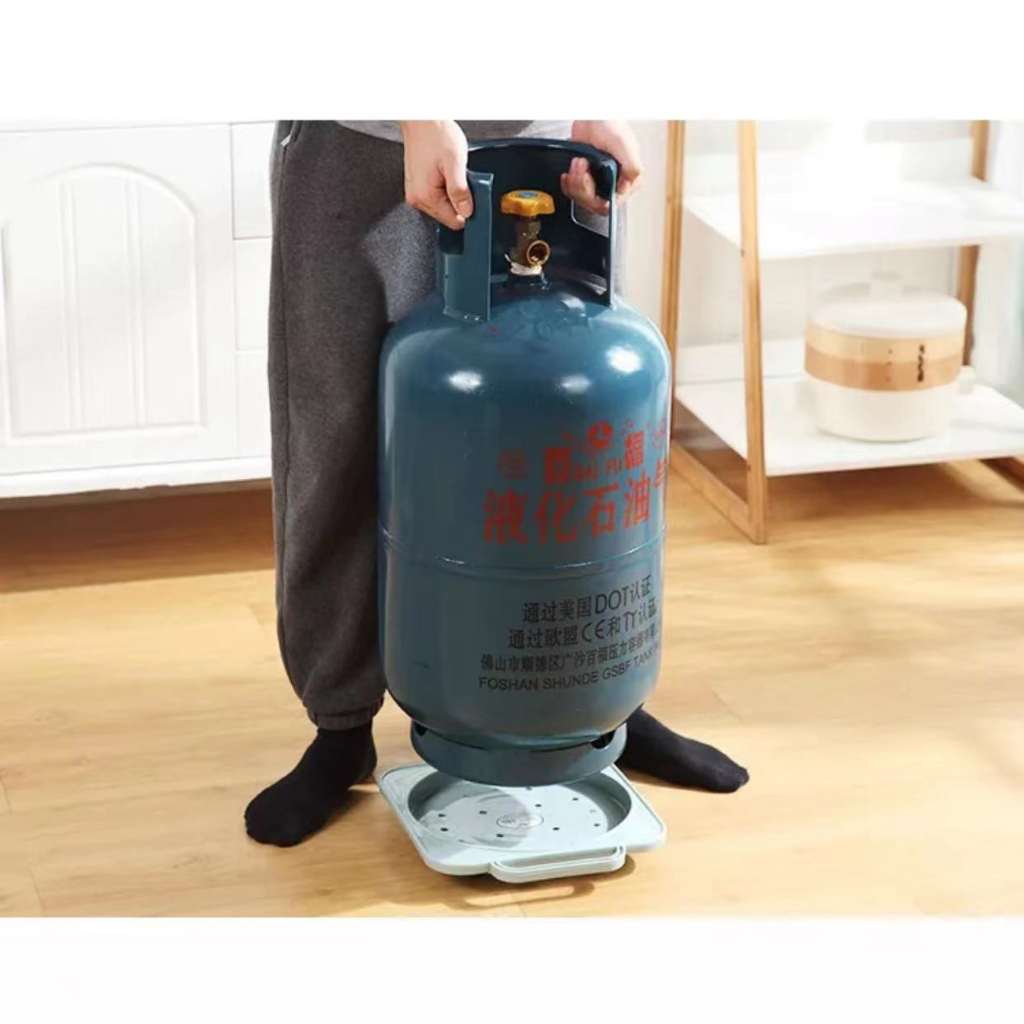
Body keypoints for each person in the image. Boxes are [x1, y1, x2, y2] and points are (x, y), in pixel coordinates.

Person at [244, 120, 749, 848]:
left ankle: (602, 702)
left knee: (575, 427)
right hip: (367, 142)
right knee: (336, 445)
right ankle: (340, 726)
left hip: (542, 135)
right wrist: (419, 116)